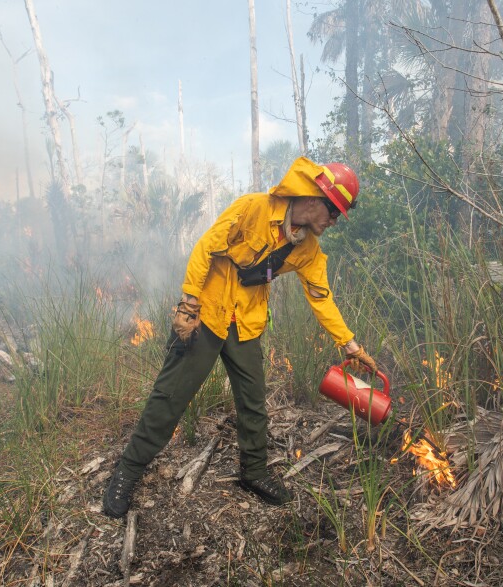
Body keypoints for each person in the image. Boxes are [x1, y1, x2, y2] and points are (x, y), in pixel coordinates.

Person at [103, 156, 377, 519]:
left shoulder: (307, 249)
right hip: (208, 314)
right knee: (171, 396)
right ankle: (127, 471)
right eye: (334, 211)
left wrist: (349, 343)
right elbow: (206, 247)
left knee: (253, 402)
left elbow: (321, 297)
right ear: (314, 199)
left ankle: (254, 472)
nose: (334, 220)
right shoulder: (253, 209)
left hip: (246, 322)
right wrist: (189, 301)